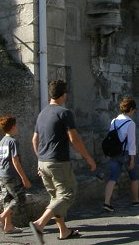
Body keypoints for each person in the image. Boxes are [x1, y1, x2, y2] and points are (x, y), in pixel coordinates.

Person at [29, 80, 96, 244]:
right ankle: (39, 224)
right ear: (64, 95)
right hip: (58, 162)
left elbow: (34, 140)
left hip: (43, 162)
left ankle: (63, 231)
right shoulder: (64, 113)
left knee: (55, 198)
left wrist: (40, 159)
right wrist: (89, 158)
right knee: (68, 193)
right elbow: (74, 139)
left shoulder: (42, 113)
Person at [103, 96, 139, 212]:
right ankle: (135, 200)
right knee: (134, 177)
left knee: (112, 177)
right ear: (132, 109)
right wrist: (132, 159)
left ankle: (107, 202)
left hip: (115, 152)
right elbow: (131, 142)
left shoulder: (114, 121)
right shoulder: (130, 123)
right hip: (126, 153)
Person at [0, 115, 31, 235]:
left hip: (1, 174)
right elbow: (15, 160)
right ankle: (1, 217)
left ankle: (8, 226)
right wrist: (24, 178)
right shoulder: (13, 141)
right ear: (13, 126)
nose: (17, 127)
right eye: (16, 125)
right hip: (11, 174)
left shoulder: (1, 142)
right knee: (20, 198)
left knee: (8, 200)